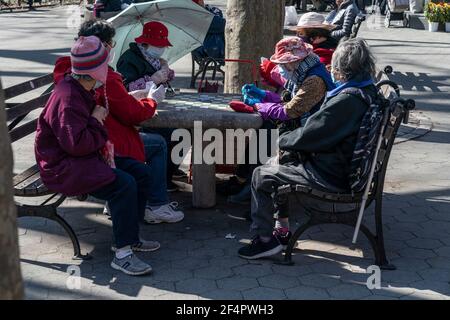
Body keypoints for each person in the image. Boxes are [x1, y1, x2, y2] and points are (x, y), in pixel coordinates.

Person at [238, 38, 378, 259]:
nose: (331, 69)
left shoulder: (347, 100)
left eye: (335, 65)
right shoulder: (365, 90)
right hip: (342, 166)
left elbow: (311, 134)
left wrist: (283, 139)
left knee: (261, 175)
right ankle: (280, 229)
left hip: (331, 174)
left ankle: (264, 240)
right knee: (279, 161)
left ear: (342, 68)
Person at [35, 36, 161, 275]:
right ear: (94, 71)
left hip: (82, 157)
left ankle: (128, 237)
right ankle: (122, 255)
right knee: (123, 184)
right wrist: (95, 119)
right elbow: (77, 145)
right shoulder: (68, 98)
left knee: (141, 172)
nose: (108, 68)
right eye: (104, 64)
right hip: (63, 166)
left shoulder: (83, 88)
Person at [53, 20, 184, 224]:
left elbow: (113, 100)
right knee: (157, 145)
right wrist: (151, 99)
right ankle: (153, 206)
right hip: (93, 146)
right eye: (110, 43)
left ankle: (130, 234)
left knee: (140, 167)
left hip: (91, 140)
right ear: (101, 47)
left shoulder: (75, 75)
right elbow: (130, 113)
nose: (112, 48)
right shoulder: (101, 77)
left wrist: (133, 94)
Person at [218, 37, 334, 203]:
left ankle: (253, 185)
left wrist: (259, 106)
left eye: (284, 63)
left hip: (315, 133)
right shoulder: (305, 73)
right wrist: (264, 95)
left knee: (268, 128)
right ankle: (245, 178)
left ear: (296, 61)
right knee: (266, 126)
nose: (281, 68)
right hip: (309, 125)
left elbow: (290, 110)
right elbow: (290, 100)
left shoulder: (313, 81)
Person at [117, 21, 183, 191]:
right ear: (145, 43)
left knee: (184, 131)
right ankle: (164, 179)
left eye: (163, 46)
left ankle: (170, 170)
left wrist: (166, 72)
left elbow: (160, 78)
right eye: (158, 45)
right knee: (176, 134)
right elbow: (125, 89)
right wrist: (152, 79)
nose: (161, 49)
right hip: (137, 113)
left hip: (154, 106)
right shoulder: (128, 59)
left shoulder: (154, 59)